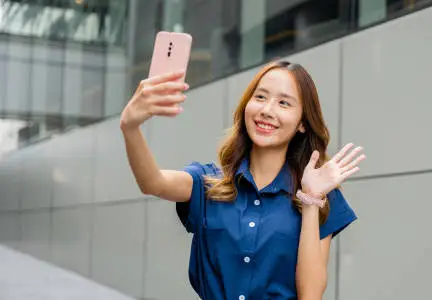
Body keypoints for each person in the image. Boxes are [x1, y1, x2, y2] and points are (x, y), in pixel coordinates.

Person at [119, 60, 365, 300]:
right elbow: (153, 182)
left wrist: (311, 201)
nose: (267, 110)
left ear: (302, 122)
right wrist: (130, 127)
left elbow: (310, 295)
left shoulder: (318, 193)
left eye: (284, 103)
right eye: (260, 97)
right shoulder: (208, 183)